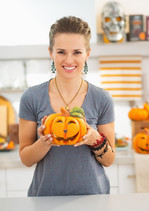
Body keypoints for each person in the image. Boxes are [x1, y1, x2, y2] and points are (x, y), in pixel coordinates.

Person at [19, 16, 115, 197]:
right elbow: (25, 158)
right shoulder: (31, 97)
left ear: (87, 53)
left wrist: (94, 138)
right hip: (45, 198)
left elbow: (109, 160)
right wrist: (44, 143)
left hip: (92, 199)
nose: (69, 60)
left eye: (77, 52)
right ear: (51, 52)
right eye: (61, 52)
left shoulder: (102, 99)